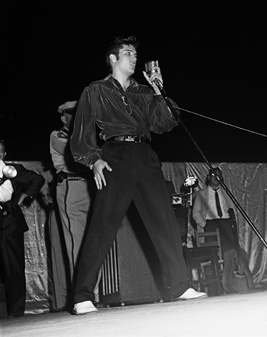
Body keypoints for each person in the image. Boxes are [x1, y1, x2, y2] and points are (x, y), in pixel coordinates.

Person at [69, 36, 206, 315]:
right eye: (128, 53)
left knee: (164, 220)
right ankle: (82, 296)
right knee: (102, 225)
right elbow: (81, 133)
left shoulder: (144, 92)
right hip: (114, 155)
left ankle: (180, 286)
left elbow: (164, 123)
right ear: (113, 58)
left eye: (135, 54)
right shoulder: (95, 90)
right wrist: (94, 160)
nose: (134, 58)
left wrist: (158, 90)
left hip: (145, 155)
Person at [49, 101, 96, 307]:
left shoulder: (88, 135)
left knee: (94, 241)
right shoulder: (58, 136)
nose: (77, 117)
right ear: (64, 117)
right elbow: (77, 155)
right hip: (71, 186)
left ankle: (93, 293)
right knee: (76, 243)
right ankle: (81, 296)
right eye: (73, 114)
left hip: (90, 186)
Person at [0, 140, 45, 318]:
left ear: (4, 155)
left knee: (14, 268)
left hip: (9, 223)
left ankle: (17, 312)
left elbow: (38, 180)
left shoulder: (14, 170)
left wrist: (24, 197)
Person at [192, 167, 236, 257]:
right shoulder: (201, 193)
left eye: (219, 175)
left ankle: (228, 269)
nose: (216, 177)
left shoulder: (226, 192)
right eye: (213, 175)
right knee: (213, 252)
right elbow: (196, 213)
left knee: (229, 250)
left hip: (226, 223)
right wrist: (204, 224)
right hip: (210, 224)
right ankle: (215, 269)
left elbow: (232, 208)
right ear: (208, 177)